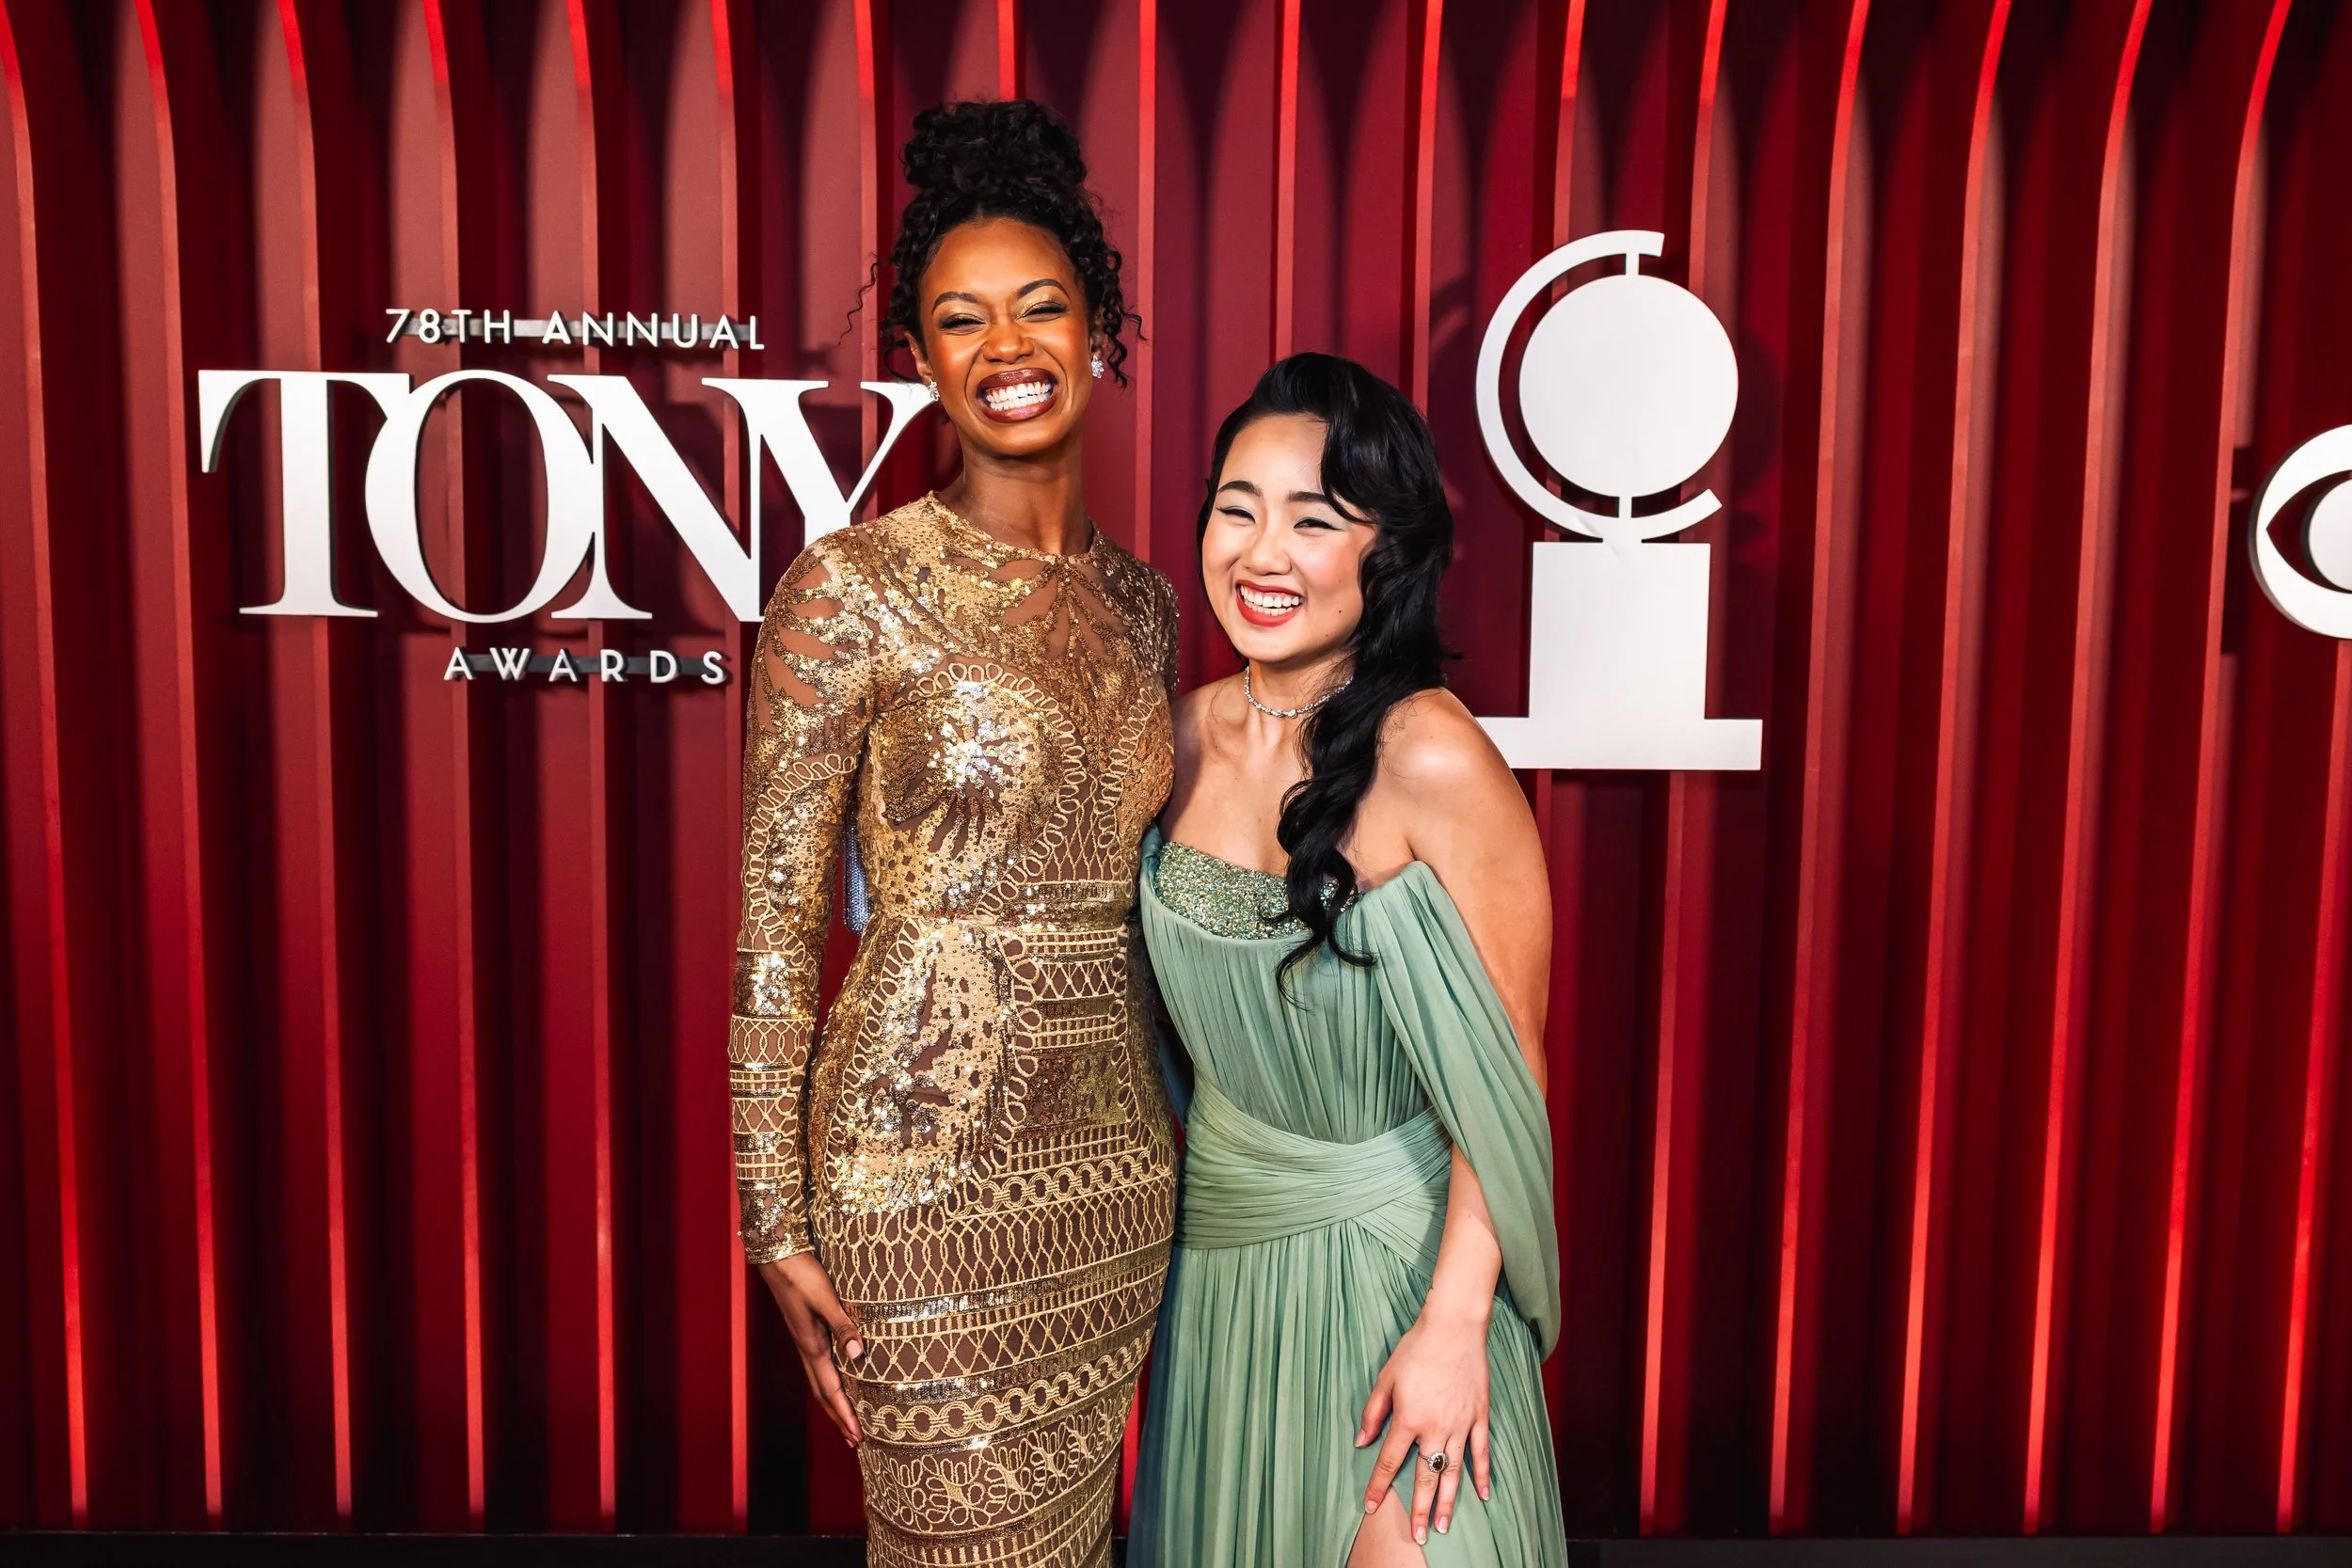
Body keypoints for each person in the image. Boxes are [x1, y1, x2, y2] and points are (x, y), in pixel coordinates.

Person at [727, 99, 1178, 1567]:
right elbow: (778, 927)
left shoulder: (1150, 607)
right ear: (919, 360)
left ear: (1098, 330)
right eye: (960, 320)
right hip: (916, 1174)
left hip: (1115, 1181)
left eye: (1040, 306)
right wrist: (773, 1219)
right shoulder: (848, 586)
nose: (1006, 346)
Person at [1128, 354, 1567, 1566]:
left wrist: (1456, 1325)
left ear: (1390, 549)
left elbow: (1510, 1072)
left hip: (1406, 1278)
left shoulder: (1434, 758)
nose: (1262, 553)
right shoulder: (1174, 738)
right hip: (1223, 1272)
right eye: (1237, 509)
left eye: (1314, 520)